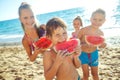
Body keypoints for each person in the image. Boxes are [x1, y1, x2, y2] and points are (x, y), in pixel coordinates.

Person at [78, 8, 107, 80]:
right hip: (83, 55)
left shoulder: (101, 33)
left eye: (100, 20)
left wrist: (103, 45)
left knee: (95, 74)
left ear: (104, 21)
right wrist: (83, 45)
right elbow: (76, 42)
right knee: (86, 75)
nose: (97, 22)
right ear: (90, 19)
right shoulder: (83, 30)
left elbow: (100, 46)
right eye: (95, 19)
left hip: (94, 54)